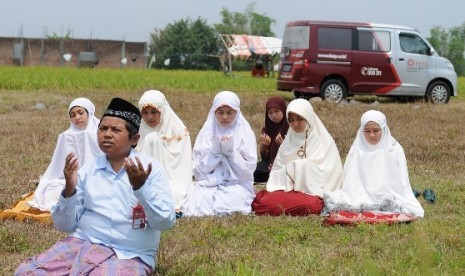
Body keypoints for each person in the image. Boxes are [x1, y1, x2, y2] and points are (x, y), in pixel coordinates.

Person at [15, 98, 176, 275]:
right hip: (82, 244)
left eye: (115, 130)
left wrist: (141, 189)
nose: (107, 134)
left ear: (134, 139)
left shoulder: (151, 170)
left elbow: (165, 222)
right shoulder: (89, 170)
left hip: (129, 254)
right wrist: (69, 190)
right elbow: (64, 226)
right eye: (103, 128)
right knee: (26, 272)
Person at [322, 110, 424, 225]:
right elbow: (351, 179)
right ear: (361, 131)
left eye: (376, 131)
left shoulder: (394, 150)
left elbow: (400, 182)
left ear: (383, 129)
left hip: (386, 192)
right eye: (367, 131)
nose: (371, 135)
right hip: (359, 193)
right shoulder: (357, 149)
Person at [252, 98, 343, 216]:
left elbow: (329, 174)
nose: (295, 124)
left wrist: (300, 167)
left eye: (300, 119)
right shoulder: (288, 140)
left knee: (314, 206)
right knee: (265, 203)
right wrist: (289, 173)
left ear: (308, 117)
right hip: (288, 190)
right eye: (291, 120)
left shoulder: (323, 141)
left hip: (312, 192)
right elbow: (277, 171)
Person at [181, 91, 257, 217]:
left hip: (236, 183)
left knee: (230, 203)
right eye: (220, 112)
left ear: (237, 112)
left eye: (229, 112)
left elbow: (247, 171)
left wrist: (231, 153)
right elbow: (200, 170)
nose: (225, 117)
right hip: (209, 182)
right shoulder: (207, 131)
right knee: (199, 202)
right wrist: (215, 152)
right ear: (214, 112)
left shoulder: (245, 133)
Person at [28, 97, 102, 211]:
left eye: (80, 113)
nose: (77, 117)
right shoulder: (65, 136)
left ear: (89, 112)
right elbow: (57, 168)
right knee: (52, 191)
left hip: (97, 179)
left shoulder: (100, 133)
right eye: (72, 115)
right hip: (69, 180)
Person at [137, 90, 192, 216]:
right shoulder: (140, 130)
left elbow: (182, 163)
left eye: (154, 112)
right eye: (145, 113)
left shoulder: (178, 130)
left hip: (173, 176)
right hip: (146, 177)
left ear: (163, 110)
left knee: (174, 193)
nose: (149, 117)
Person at [254, 96, 289, 183]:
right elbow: (265, 157)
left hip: (287, 163)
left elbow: (294, 154)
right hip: (271, 163)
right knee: (253, 172)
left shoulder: (290, 127)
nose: (273, 115)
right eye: (270, 112)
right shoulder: (267, 129)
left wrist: (283, 145)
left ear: (283, 110)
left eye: (277, 111)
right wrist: (264, 146)